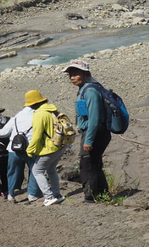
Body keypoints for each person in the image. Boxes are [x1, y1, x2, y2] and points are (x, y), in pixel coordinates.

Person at [63, 59, 112, 203]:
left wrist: (88, 140)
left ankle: (90, 197)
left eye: (76, 74)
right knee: (95, 164)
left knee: (87, 166)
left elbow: (94, 119)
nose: (72, 77)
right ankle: (103, 194)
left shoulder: (90, 91)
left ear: (86, 74)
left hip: (95, 133)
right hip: (97, 132)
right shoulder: (87, 88)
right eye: (70, 74)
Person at [0, 90, 43, 202]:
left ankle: (11, 194)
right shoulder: (38, 115)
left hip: (14, 149)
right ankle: (32, 194)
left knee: (12, 172)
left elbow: (3, 132)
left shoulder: (16, 116)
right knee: (34, 171)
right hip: (32, 148)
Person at [26, 91, 66, 206]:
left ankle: (49, 197)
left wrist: (30, 150)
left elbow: (37, 136)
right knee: (51, 169)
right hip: (60, 145)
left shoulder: (39, 114)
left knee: (37, 171)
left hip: (50, 148)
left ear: (34, 104)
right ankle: (57, 195)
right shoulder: (52, 109)